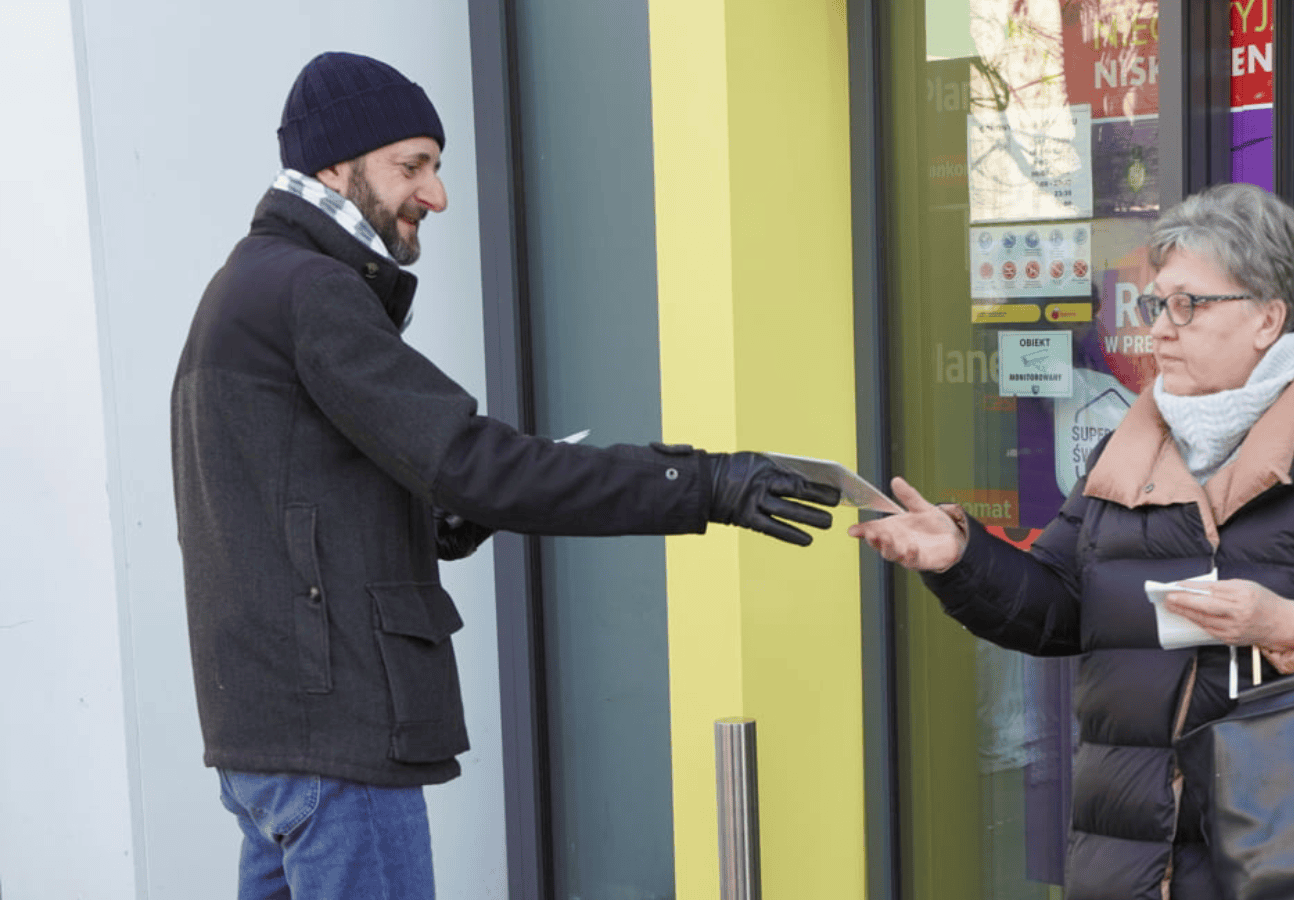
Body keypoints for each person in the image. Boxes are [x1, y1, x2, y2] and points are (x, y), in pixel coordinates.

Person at [170, 51, 839, 900]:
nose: (436, 193)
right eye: (411, 166)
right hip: (334, 744)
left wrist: (434, 517)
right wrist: (704, 484)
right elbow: (477, 463)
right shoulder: (312, 292)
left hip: (268, 742)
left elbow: (292, 504)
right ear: (333, 167)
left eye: (437, 167)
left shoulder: (243, 287)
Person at [850, 182, 1294, 899]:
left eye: (1187, 305)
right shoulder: (1129, 447)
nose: (1159, 329)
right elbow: (1060, 606)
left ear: (1268, 318)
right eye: (1155, 304)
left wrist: (1289, 625)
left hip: (1290, 845)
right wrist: (960, 556)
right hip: (1125, 845)